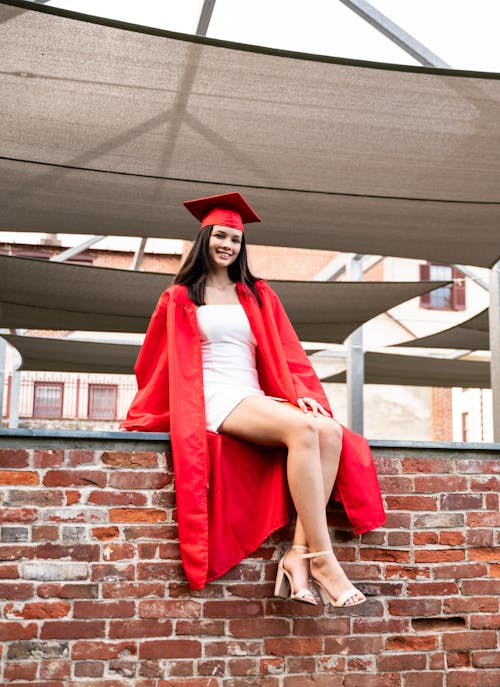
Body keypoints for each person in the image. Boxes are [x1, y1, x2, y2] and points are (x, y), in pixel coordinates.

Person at [120, 192, 385, 604]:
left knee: (329, 431)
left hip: (253, 394)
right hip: (213, 397)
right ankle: (324, 559)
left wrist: (301, 392)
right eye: (220, 236)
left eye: (235, 239)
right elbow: (155, 360)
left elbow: (288, 349)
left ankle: (299, 555)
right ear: (205, 237)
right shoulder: (179, 297)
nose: (227, 245)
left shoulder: (257, 294)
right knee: (301, 429)